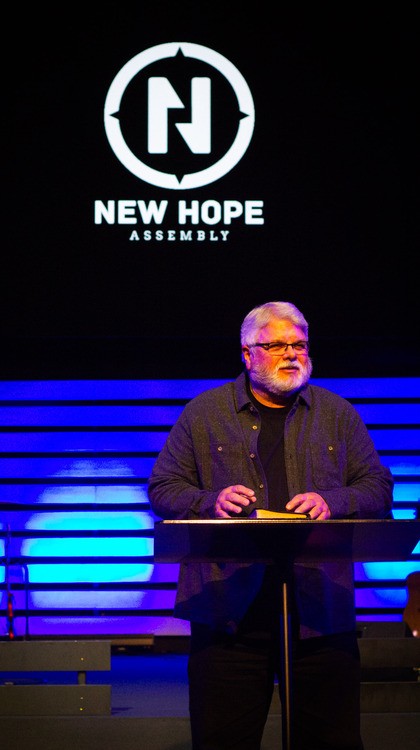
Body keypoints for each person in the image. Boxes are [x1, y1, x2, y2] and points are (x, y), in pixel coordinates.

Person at [147, 300, 394, 750]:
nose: (292, 354)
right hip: (228, 618)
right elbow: (163, 487)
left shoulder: (337, 414)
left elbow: (377, 486)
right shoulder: (204, 413)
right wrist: (210, 501)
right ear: (248, 353)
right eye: (277, 345)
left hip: (320, 613)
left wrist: (333, 501)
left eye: (299, 344)